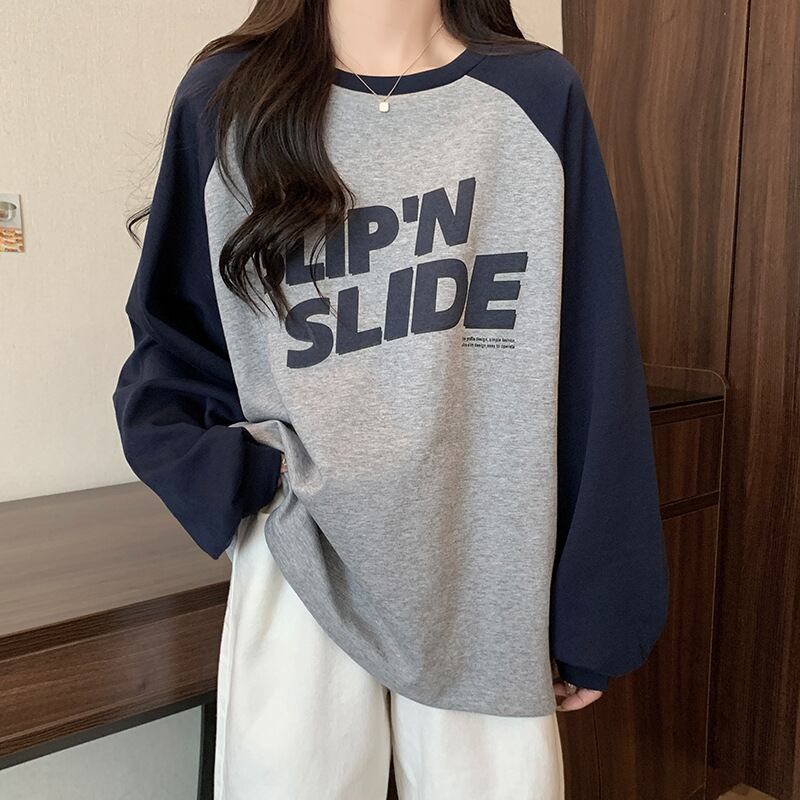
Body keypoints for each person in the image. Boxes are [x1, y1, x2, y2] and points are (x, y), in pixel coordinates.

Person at [112, 1, 669, 797]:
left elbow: (591, 358)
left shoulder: (536, 97)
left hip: (486, 565)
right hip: (301, 548)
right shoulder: (228, 98)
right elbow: (172, 340)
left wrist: (597, 611)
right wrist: (246, 475)